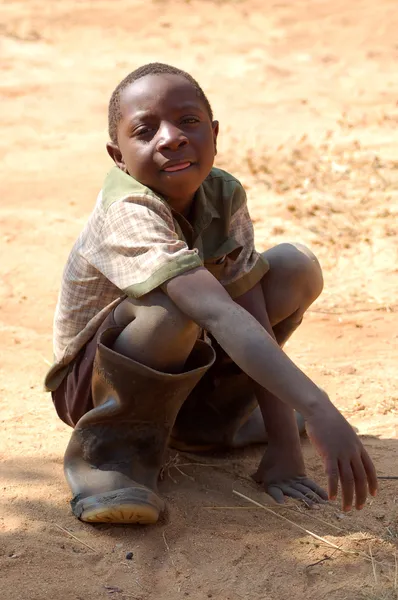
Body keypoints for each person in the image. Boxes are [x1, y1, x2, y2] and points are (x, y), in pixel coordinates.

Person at [45, 63, 377, 525]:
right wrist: (317, 406)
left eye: (189, 121)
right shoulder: (126, 211)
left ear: (215, 133)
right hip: (94, 386)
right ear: (117, 154)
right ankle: (113, 461)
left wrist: (285, 449)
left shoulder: (221, 194)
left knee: (292, 268)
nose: (171, 138)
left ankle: (212, 423)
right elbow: (216, 310)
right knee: (175, 307)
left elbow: (251, 313)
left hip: (185, 361)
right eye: (145, 130)